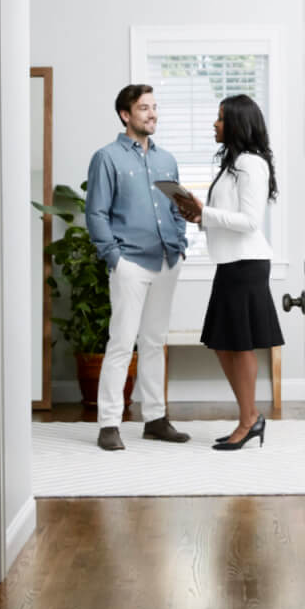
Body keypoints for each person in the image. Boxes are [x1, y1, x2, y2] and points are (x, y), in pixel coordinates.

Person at [83, 84, 193, 451]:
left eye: (155, 107)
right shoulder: (107, 158)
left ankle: (155, 419)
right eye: (144, 108)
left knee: (154, 342)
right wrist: (114, 257)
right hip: (129, 261)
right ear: (125, 115)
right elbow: (96, 213)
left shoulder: (166, 161)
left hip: (166, 260)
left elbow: (179, 207)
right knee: (121, 342)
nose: (152, 114)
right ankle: (109, 424)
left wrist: (179, 243)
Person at [173, 94, 285, 450]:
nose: (214, 124)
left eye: (220, 118)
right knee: (224, 344)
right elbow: (226, 218)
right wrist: (198, 215)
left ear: (237, 123)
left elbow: (250, 222)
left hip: (246, 264)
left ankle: (248, 419)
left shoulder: (251, 163)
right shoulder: (234, 164)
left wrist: (204, 213)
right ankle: (249, 416)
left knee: (239, 345)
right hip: (230, 263)